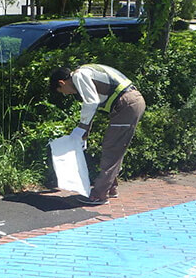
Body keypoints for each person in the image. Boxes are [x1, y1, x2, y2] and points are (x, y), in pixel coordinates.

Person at [50, 64, 146, 205]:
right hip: (128, 102)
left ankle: (99, 195)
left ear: (62, 82)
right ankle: (111, 188)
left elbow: (91, 102)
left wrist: (81, 127)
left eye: (62, 90)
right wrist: (85, 132)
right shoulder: (84, 73)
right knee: (113, 146)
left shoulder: (79, 75)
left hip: (127, 103)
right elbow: (92, 105)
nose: (66, 94)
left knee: (112, 148)